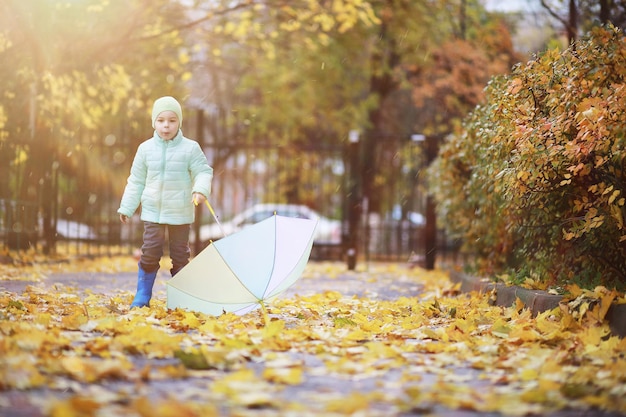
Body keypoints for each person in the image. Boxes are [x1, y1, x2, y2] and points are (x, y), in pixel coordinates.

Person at [118, 96, 213, 308]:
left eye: (172, 120)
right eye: (161, 120)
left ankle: (181, 298)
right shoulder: (145, 149)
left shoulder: (190, 148)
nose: (166, 125)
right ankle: (143, 295)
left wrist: (200, 190)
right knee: (150, 252)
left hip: (180, 212)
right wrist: (127, 206)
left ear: (179, 122)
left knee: (180, 255)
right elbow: (136, 180)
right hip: (153, 212)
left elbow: (203, 171)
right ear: (154, 122)